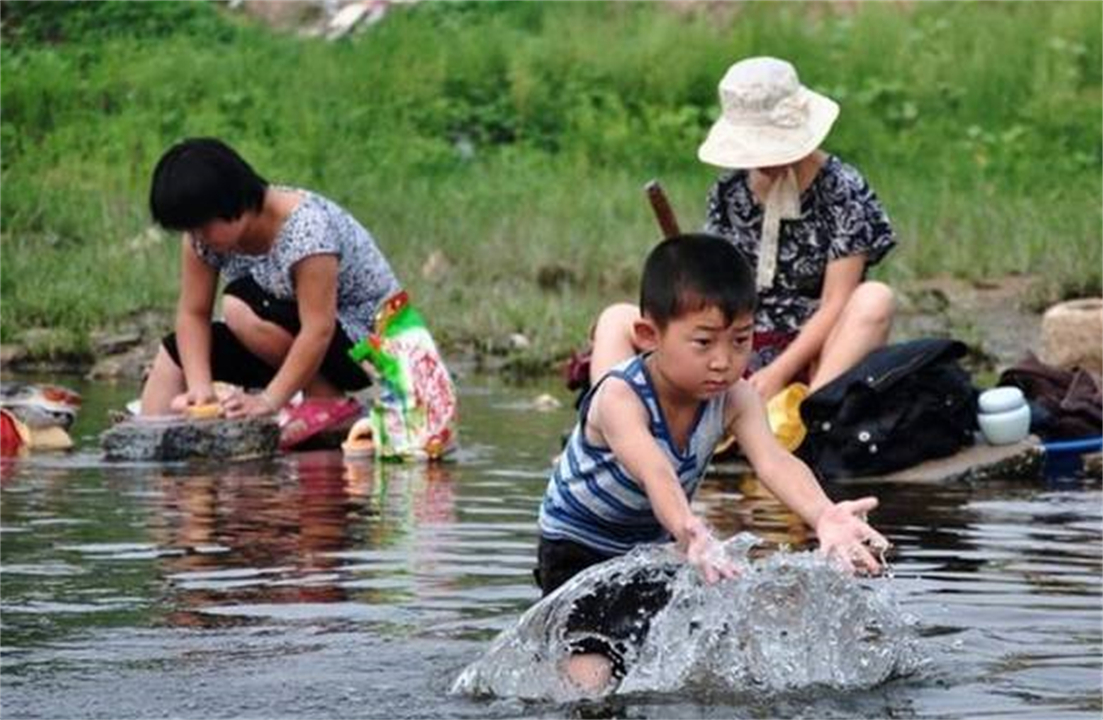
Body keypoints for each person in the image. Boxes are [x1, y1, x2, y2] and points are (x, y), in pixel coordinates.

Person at [536, 234, 890, 693]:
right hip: (577, 545)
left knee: (660, 660)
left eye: (740, 341)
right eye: (702, 343)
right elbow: (655, 470)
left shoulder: (734, 397)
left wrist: (824, 514)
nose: (723, 362)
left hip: (651, 542)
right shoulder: (621, 397)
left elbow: (773, 461)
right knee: (595, 675)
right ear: (649, 336)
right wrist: (689, 529)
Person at [587, 56, 896, 404]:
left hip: (814, 352)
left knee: (875, 299)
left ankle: (811, 418)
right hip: (732, 344)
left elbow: (835, 303)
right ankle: (612, 424)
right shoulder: (729, 190)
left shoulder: (842, 189)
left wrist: (778, 372)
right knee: (616, 319)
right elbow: (716, 291)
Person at [138, 137, 401, 426]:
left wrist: (268, 401)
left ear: (232, 201)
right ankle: (150, 443)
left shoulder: (307, 230)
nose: (198, 238)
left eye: (202, 227)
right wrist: (200, 389)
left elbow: (318, 330)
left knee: (238, 306)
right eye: (190, 229)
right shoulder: (203, 240)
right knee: (175, 354)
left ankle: (327, 400)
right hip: (286, 338)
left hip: (369, 344)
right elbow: (193, 313)